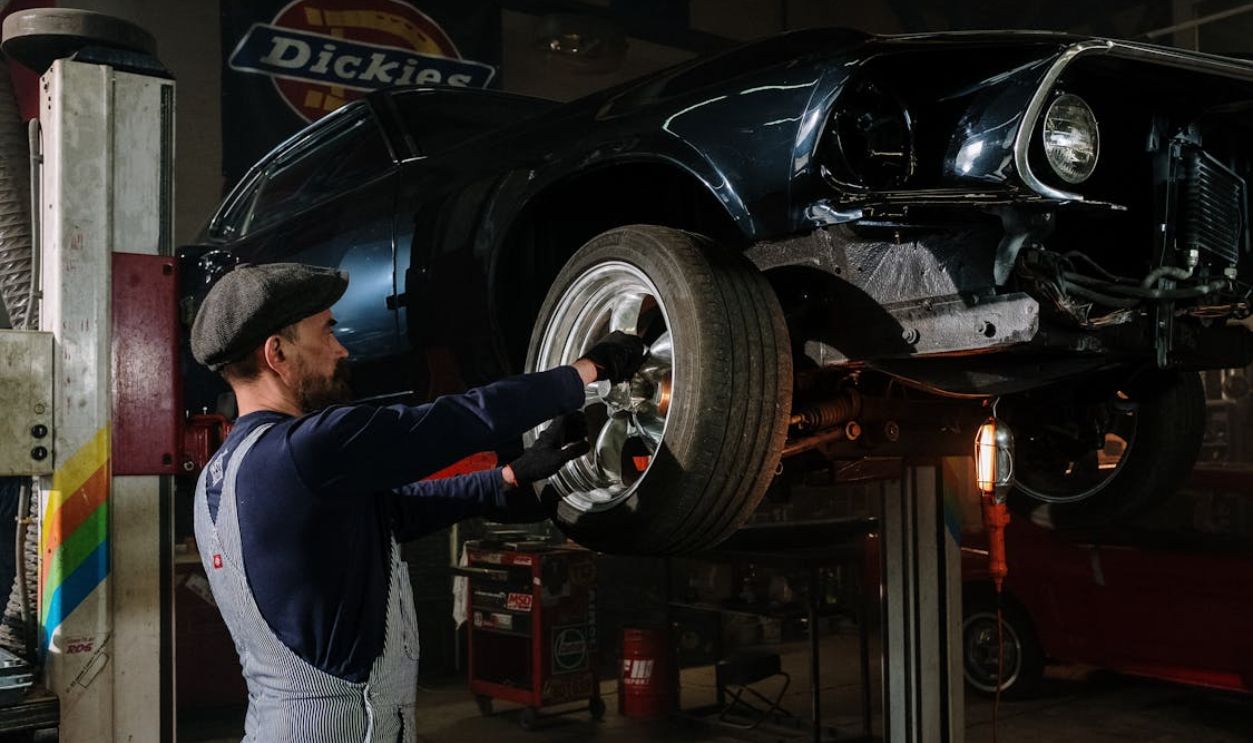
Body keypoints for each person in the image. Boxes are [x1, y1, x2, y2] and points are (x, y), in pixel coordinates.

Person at [189, 262, 645, 742]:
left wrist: (509, 476)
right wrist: (589, 371)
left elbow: (391, 514)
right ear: (277, 352)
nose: (341, 350)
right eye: (326, 332)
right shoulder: (306, 449)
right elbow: (456, 420)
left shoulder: (223, 474)